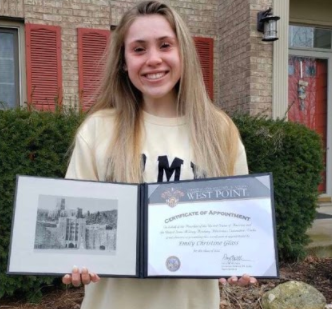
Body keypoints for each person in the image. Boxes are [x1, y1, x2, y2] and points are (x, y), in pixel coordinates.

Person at [62, 1, 257, 308]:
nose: (153, 59)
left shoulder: (219, 130)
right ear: (124, 62)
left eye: (165, 45)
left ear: (183, 54)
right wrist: (73, 259)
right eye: (139, 49)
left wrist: (243, 260)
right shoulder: (98, 130)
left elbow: (241, 226)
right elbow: (73, 225)